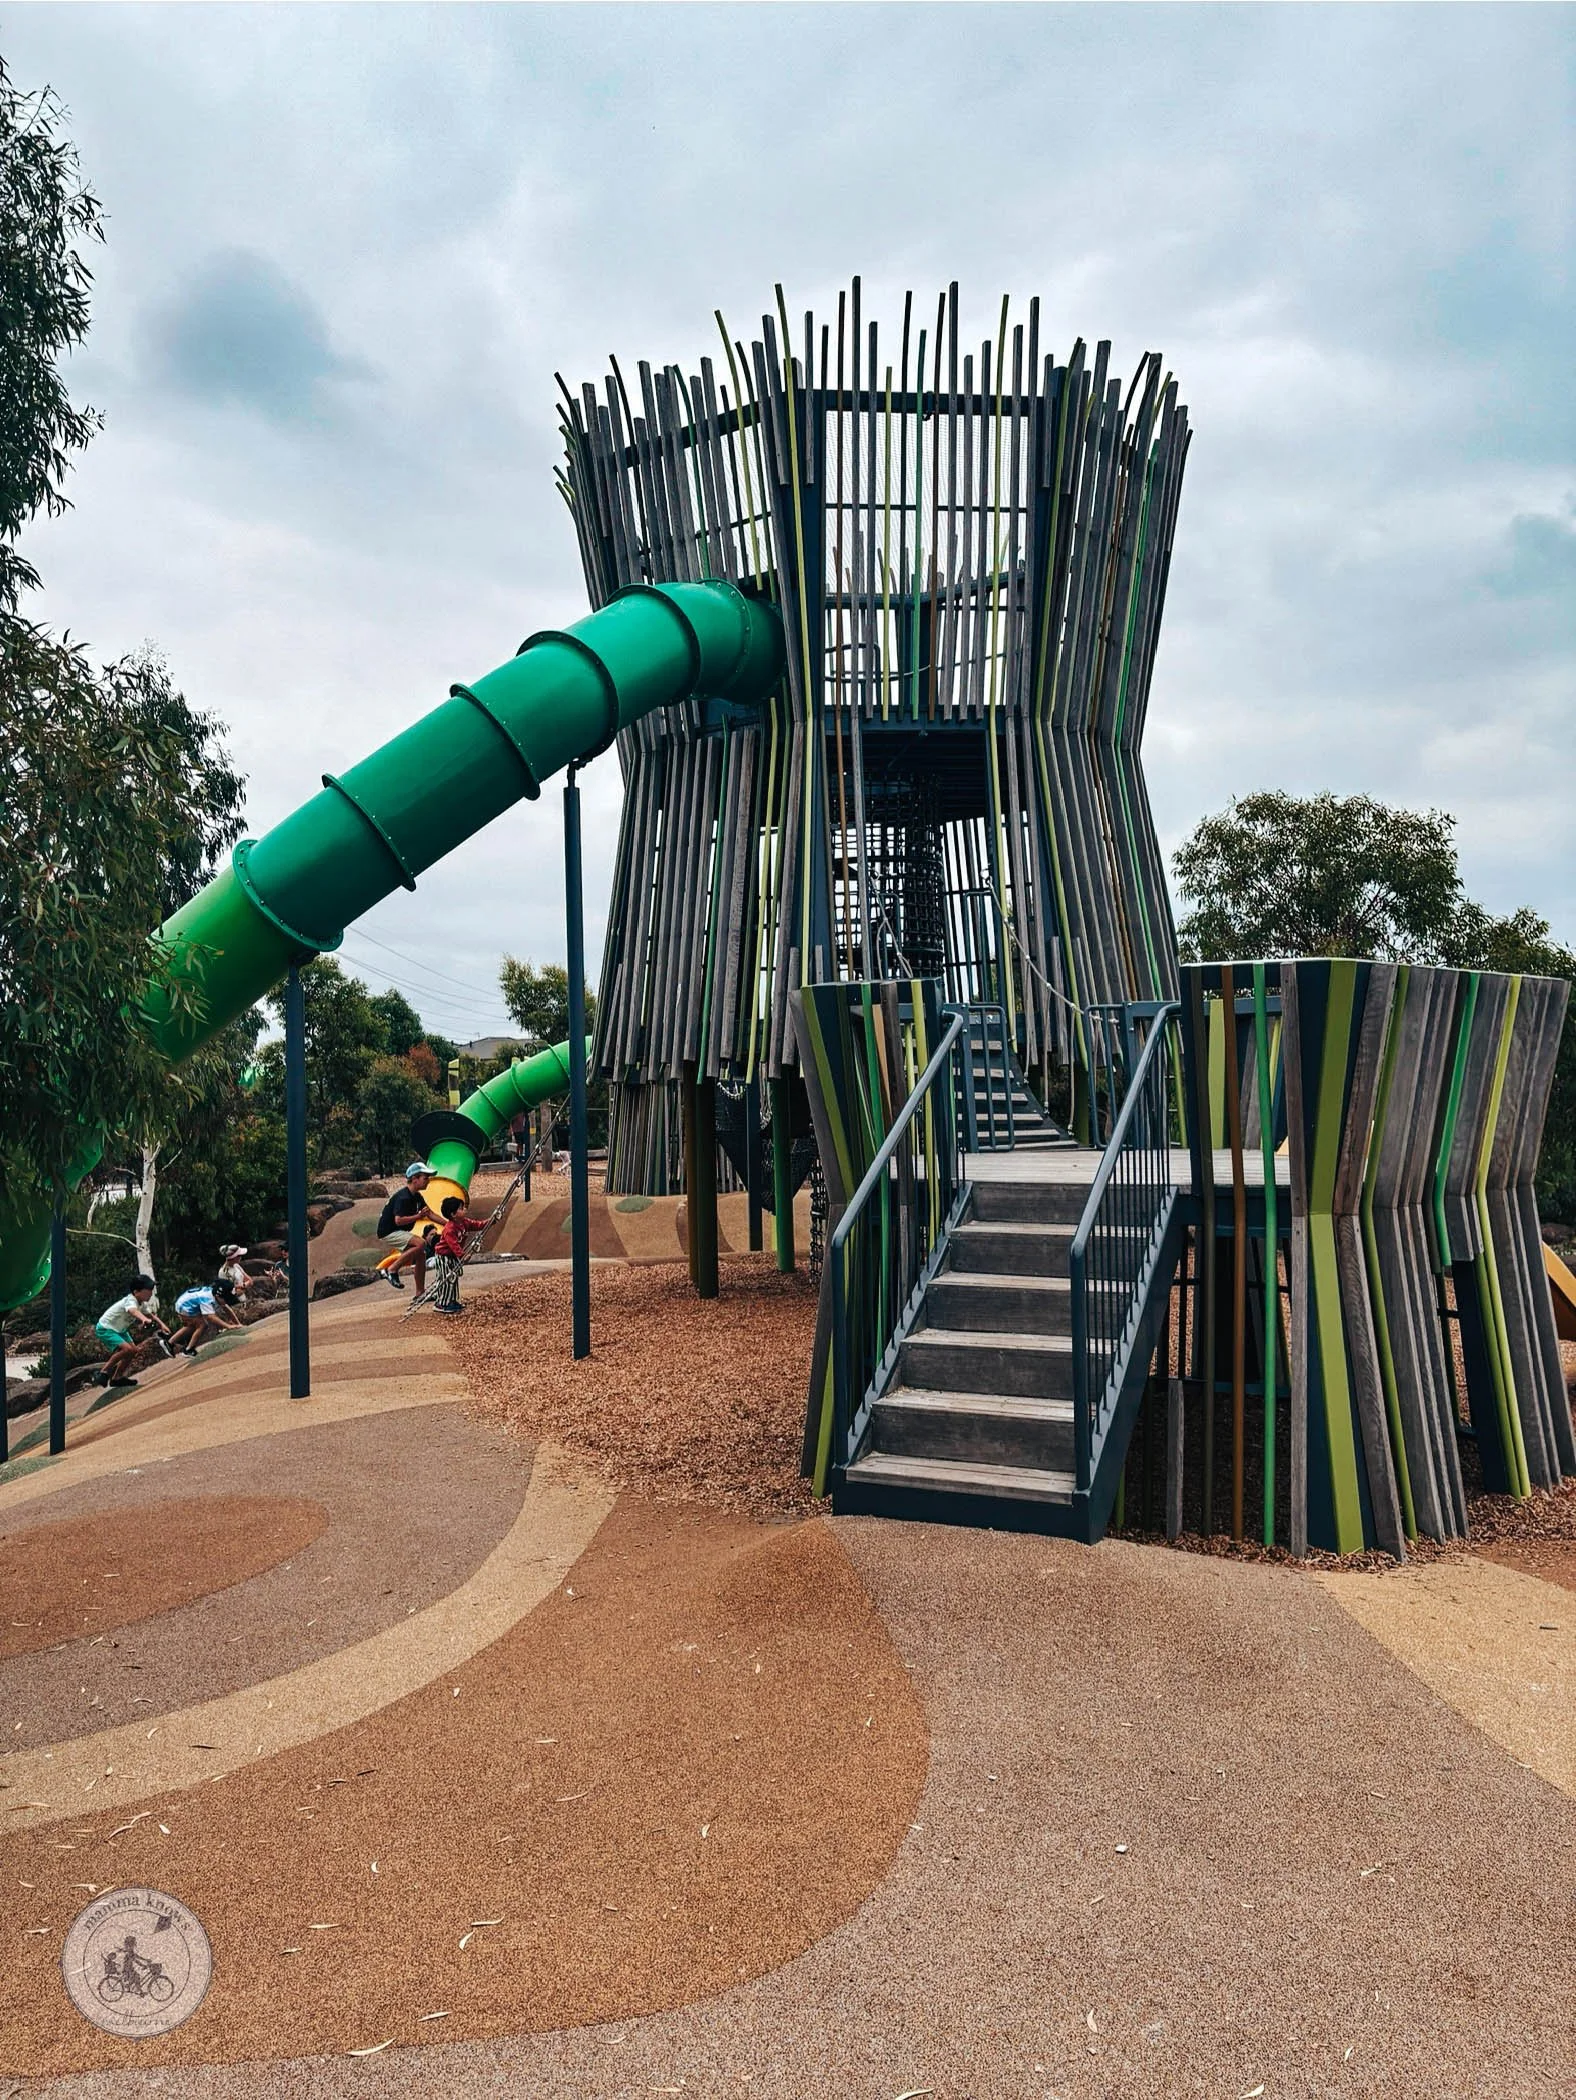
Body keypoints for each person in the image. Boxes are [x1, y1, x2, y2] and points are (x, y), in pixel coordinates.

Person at [374, 1161, 440, 1293]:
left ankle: (420, 1292)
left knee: (421, 1253)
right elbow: (398, 1220)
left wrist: (449, 1223)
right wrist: (418, 1216)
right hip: (389, 1231)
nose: (428, 1181)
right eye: (425, 1178)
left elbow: (430, 1214)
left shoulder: (417, 1196)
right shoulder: (403, 1197)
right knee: (420, 1243)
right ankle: (391, 1269)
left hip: (398, 1230)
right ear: (415, 1179)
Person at [426, 1194, 489, 1316]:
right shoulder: (449, 1229)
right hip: (443, 1256)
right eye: (461, 1208)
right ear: (453, 1214)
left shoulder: (464, 1222)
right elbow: (453, 1244)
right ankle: (442, 1303)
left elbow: (477, 1225)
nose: (464, 1209)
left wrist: (489, 1222)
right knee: (448, 1277)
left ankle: (452, 1300)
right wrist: (462, 1255)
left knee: (454, 1278)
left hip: (452, 1256)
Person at [168, 1276, 244, 1355]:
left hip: (185, 1302)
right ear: (218, 1296)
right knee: (202, 1325)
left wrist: (238, 1324)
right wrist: (228, 1326)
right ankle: (189, 1350)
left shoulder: (215, 1295)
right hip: (184, 1306)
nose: (227, 1301)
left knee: (191, 1326)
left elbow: (227, 1309)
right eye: (226, 1298)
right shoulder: (207, 1299)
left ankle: (170, 1343)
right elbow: (211, 1317)